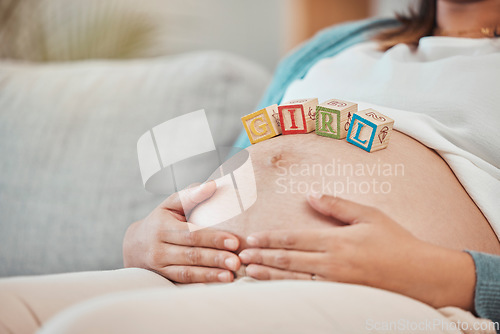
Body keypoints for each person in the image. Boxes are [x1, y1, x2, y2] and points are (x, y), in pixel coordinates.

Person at [1, 0, 499, 333]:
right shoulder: (336, 47)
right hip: (214, 275)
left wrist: (447, 275)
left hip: (410, 300)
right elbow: (243, 161)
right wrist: (146, 238)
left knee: (92, 328)